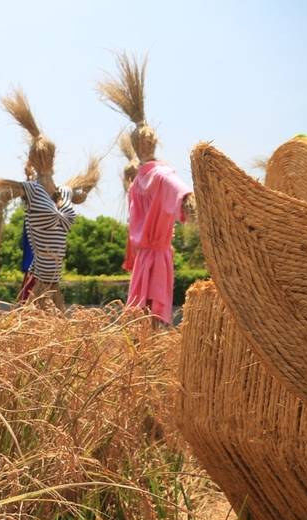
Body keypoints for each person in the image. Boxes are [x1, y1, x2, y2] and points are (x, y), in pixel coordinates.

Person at [97, 53, 195, 325]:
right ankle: (150, 361)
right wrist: (195, 206)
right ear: (153, 142)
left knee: (140, 317)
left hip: (143, 258)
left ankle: (142, 359)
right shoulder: (162, 175)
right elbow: (184, 195)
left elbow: (132, 225)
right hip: (158, 255)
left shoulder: (137, 184)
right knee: (152, 317)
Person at [0, 88, 100, 312]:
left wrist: (84, 191)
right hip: (38, 272)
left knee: (56, 321)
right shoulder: (30, 190)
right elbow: (3, 192)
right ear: (37, 159)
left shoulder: (63, 191)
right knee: (28, 316)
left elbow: (78, 197)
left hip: (55, 274)